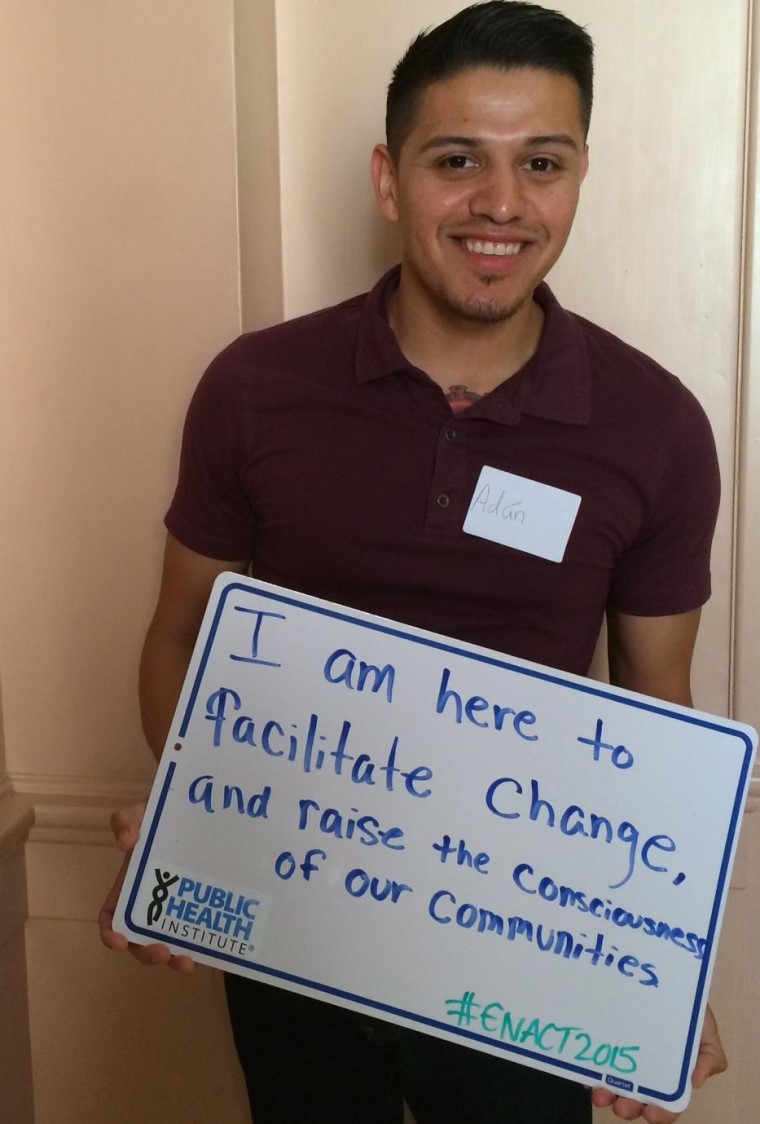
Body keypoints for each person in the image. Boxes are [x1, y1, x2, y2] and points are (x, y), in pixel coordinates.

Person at [100, 3, 728, 1121]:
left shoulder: (656, 426)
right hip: (296, 925)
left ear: (579, 175)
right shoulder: (255, 387)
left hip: (521, 953)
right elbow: (183, 634)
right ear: (390, 180)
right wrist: (190, 810)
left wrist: (651, 972)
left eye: (541, 162)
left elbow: (657, 711)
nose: (500, 204)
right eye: (457, 161)